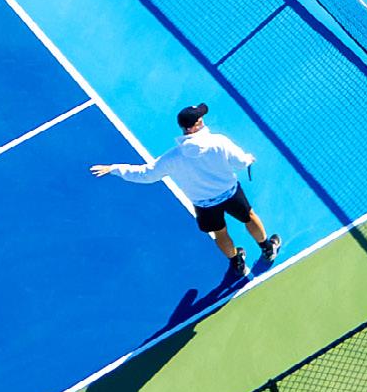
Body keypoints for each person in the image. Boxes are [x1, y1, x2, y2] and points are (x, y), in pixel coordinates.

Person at [91, 103, 279, 284]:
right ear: (196, 125)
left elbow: (146, 175)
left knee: (220, 233)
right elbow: (240, 163)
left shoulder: (172, 157)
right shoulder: (219, 141)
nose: (203, 119)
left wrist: (114, 168)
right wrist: (248, 159)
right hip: (230, 193)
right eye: (200, 118)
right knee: (249, 217)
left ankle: (237, 263)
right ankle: (267, 248)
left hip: (204, 204)